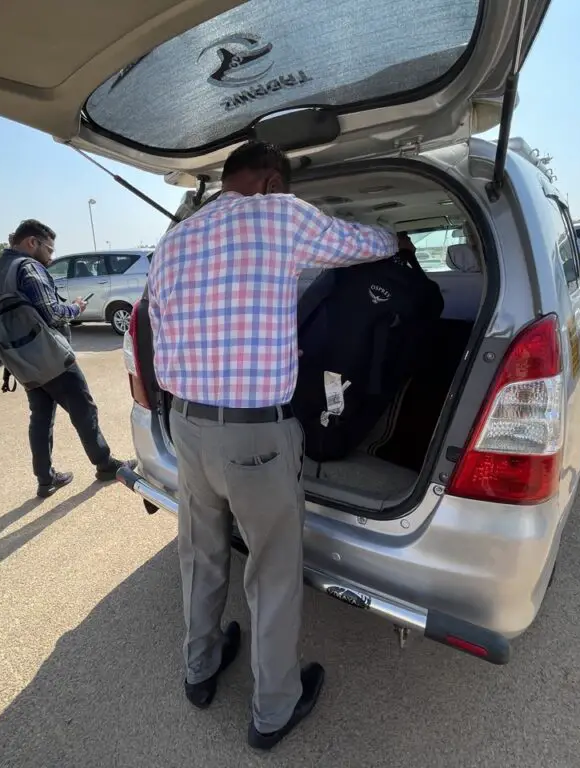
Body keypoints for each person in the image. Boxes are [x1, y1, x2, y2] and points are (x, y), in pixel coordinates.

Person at [147, 141, 400, 750]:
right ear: (267, 182)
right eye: (284, 186)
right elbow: (362, 245)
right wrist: (396, 240)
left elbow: (156, 324)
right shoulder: (281, 215)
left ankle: (200, 669)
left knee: (201, 552)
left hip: (185, 423)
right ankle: (273, 710)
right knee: (273, 572)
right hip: (256, 435)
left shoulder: (173, 239)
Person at [0, 219, 132, 498]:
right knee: (84, 409)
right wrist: (76, 307)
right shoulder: (29, 267)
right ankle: (105, 464)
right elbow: (52, 313)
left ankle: (45, 478)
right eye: (49, 250)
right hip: (50, 356)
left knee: (41, 417)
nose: (51, 256)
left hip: (22, 360)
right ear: (33, 243)